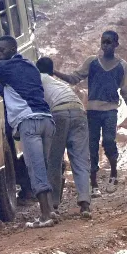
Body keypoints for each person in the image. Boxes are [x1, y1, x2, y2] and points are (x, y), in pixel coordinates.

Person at [0, 36, 57, 228]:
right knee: (43, 166)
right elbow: (8, 91)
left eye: (2, 50)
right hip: (46, 121)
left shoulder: (6, 67)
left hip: (30, 123)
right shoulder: (29, 67)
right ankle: (50, 210)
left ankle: (45, 216)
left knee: (36, 169)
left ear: (12, 50)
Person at [60, 30, 127, 194]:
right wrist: (54, 72)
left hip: (110, 111)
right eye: (103, 42)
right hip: (92, 112)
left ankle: (114, 172)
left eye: (109, 42)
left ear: (116, 45)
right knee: (92, 146)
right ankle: (94, 183)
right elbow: (74, 78)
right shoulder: (92, 62)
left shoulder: (122, 66)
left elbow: (126, 92)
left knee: (109, 141)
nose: (105, 45)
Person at [37, 56, 92, 219]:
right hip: (79, 111)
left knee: (54, 160)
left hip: (59, 113)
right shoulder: (59, 84)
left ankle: (53, 204)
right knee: (80, 160)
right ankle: (85, 204)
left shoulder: (38, 78)